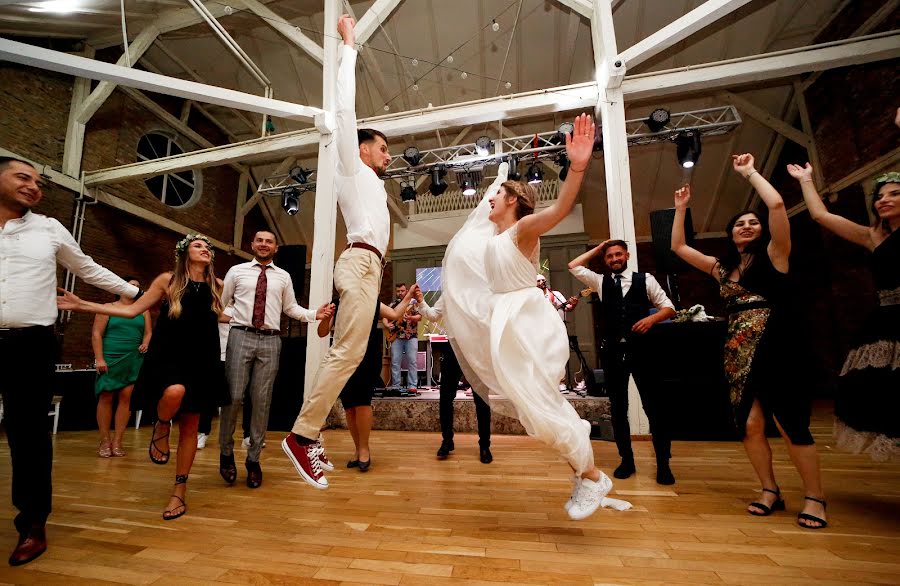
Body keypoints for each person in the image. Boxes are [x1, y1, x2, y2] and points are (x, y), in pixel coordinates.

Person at [424, 114, 632, 520]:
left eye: (497, 194)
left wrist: (576, 166)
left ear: (514, 201)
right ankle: (584, 471)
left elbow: (562, 206)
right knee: (535, 408)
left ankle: (591, 475)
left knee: (539, 407)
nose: (489, 199)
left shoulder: (524, 230)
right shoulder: (494, 237)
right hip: (508, 321)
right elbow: (468, 254)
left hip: (526, 324)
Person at [671, 155, 828, 529]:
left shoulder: (776, 255)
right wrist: (680, 209)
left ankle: (815, 497)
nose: (746, 226)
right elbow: (678, 246)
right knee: (750, 425)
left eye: (752, 222)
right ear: (730, 233)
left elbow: (775, 204)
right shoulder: (722, 268)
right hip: (737, 353)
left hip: (779, 348)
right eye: (739, 223)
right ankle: (769, 489)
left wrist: (749, 173)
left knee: (791, 424)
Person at [0, 157, 142, 565]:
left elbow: (88, 269)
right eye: (22, 177)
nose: (33, 186)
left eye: (38, 182)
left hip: (32, 344)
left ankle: (32, 523)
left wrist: (139, 297)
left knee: (28, 436)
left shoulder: (47, 228)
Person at [282, 14, 392, 490]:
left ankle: (306, 435)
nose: (388, 156)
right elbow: (344, 108)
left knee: (351, 351)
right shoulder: (352, 164)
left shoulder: (372, 183)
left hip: (370, 267)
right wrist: (350, 46)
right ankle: (303, 436)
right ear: (362, 149)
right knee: (347, 351)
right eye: (383, 148)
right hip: (360, 262)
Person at [58, 233, 230, 521]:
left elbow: (218, 315)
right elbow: (134, 309)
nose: (205, 249)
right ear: (185, 252)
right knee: (174, 392)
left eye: (208, 247)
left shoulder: (218, 285)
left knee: (191, 426)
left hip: (203, 358)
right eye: (198, 245)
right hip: (169, 354)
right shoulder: (167, 281)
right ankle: (161, 424)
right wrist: (83, 305)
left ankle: (179, 491)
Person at [787, 163, 898, 461]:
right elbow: (821, 215)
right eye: (880, 196)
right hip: (888, 321)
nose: (884, 200)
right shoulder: (873, 236)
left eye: (894, 194)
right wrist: (807, 180)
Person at [219, 231, 331, 488]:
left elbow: (290, 308)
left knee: (261, 400)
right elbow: (222, 303)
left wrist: (316, 313)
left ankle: (253, 460)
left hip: (271, 340)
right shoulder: (237, 271)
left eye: (268, 241)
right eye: (259, 240)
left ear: (275, 248)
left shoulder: (283, 276)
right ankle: (226, 453)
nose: (263, 244)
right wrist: (228, 318)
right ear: (252, 245)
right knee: (233, 396)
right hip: (240, 335)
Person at [567, 239, 677, 484]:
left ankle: (663, 465)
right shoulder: (600, 282)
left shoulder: (645, 279)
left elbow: (669, 308)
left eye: (618, 255)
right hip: (613, 353)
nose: (614, 259)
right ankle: (626, 460)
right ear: (605, 260)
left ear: (626, 256)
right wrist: (597, 249)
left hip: (643, 352)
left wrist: (651, 320)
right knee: (618, 409)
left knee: (654, 408)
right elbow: (573, 266)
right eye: (609, 256)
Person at [319, 285, 419, 472]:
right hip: (342, 357)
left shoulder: (372, 301)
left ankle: (365, 449)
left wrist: (409, 296)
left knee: (362, 402)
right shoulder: (337, 303)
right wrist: (325, 317)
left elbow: (395, 314)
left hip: (366, 355)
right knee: (349, 406)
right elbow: (322, 332)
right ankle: (357, 450)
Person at [415, 290, 493, 463]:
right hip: (454, 347)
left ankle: (485, 446)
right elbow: (434, 315)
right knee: (445, 397)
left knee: (481, 399)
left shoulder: (481, 291)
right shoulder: (449, 294)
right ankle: (447, 440)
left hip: (476, 348)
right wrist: (421, 301)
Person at [92, 276, 152, 458]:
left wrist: (146, 342)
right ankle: (104, 440)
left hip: (134, 357)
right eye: (131, 286)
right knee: (106, 396)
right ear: (120, 288)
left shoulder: (143, 310)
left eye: (137, 287)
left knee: (127, 398)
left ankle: (118, 441)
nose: (134, 289)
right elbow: (96, 333)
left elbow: (149, 332)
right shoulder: (107, 308)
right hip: (110, 356)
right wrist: (99, 358)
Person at [197, 305, 233, 450]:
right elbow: (213, 315)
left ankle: (246, 435)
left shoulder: (243, 307)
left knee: (233, 399)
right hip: (215, 357)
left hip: (236, 357)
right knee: (207, 398)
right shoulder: (215, 306)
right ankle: (203, 433)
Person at [536, 274, 579, 391]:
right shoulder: (534, 296)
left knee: (558, 355)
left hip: (557, 330)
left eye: (543, 280)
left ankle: (561, 382)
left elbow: (568, 307)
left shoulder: (556, 294)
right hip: (540, 331)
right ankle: (545, 384)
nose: (541, 282)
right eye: (538, 280)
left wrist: (574, 303)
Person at [384, 283, 421, 392]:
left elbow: (419, 316)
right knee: (395, 361)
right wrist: (386, 325)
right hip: (397, 336)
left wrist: (410, 317)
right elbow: (385, 316)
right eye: (398, 291)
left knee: (412, 361)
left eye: (402, 291)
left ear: (407, 291)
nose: (400, 293)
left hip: (411, 336)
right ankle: (396, 386)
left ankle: (412, 386)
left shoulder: (413, 303)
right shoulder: (393, 304)